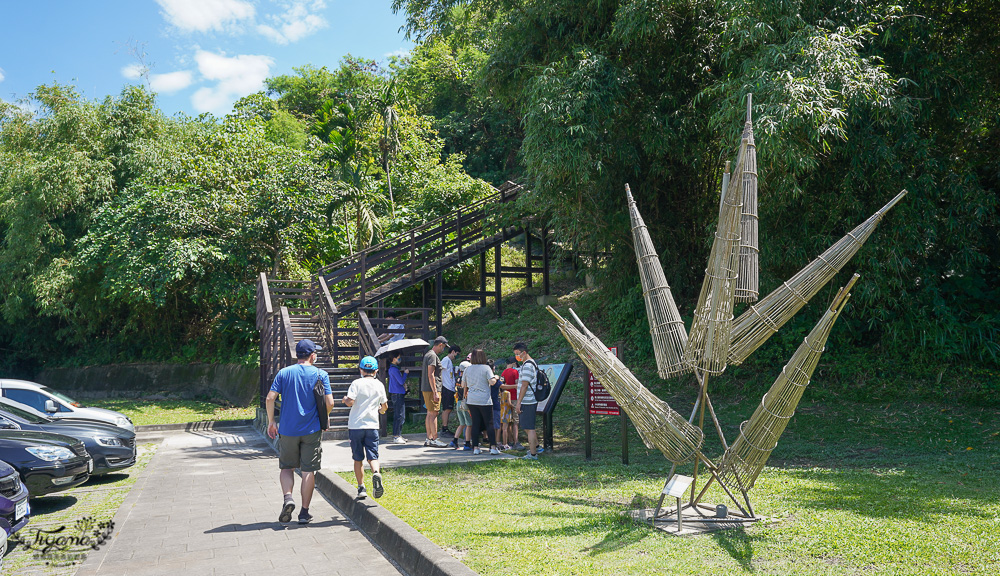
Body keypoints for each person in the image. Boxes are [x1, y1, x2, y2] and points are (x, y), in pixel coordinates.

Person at [266, 339, 333, 524]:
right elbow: (330, 403)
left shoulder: (284, 373)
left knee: (287, 467)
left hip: (287, 430)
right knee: (308, 471)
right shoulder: (321, 374)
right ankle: (304, 513)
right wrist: (325, 416)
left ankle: (288, 498)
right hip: (311, 430)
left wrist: (271, 421)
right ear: (312, 355)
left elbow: (270, 398)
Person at [344, 355, 389, 499]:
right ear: (375, 371)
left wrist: (345, 399)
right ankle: (376, 473)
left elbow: (350, 402)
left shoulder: (356, 383)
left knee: (358, 458)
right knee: (373, 456)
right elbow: (384, 406)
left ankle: (361, 487)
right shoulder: (379, 385)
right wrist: (381, 410)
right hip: (372, 425)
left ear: (361, 370)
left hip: (356, 426)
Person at [462, 349, 501, 455]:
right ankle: (493, 447)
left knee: (475, 423)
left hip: (472, 399)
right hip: (484, 400)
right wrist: (496, 377)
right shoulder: (486, 368)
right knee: (489, 423)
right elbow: (492, 382)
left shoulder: (467, 369)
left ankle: (475, 447)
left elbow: (463, 385)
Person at [421, 335, 450, 447]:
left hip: (427, 388)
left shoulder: (428, 354)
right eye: (443, 347)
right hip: (432, 389)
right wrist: (435, 392)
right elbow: (431, 375)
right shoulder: (432, 356)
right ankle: (434, 439)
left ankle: (429, 438)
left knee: (429, 413)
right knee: (434, 414)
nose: (443, 350)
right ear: (440, 345)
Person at [513, 342, 540, 460]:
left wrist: (518, 402)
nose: (516, 357)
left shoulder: (528, 365)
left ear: (524, 353)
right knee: (526, 426)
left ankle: (533, 454)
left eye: (518, 354)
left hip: (528, 401)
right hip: (526, 400)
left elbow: (524, 385)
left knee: (529, 428)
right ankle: (536, 447)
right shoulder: (526, 364)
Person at [500, 359, 523, 450]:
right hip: (514, 398)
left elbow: (502, 384)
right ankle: (516, 441)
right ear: (513, 363)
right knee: (515, 422)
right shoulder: (515, 371)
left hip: (505, 398)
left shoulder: (503, 373)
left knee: (508, 421)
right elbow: (517, 384)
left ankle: (509, 440)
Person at [387, 352, 409, 444]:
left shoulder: (393, 369)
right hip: (398, 394)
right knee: (399, 415)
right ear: (394, 359)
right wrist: (405, 374)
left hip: (396, 393)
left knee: (399, 415)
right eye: (399, 358)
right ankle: (396, 435)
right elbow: (400, 381)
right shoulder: (394, 369)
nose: (400, 359)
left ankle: (398, 435)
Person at [439, 345, 461, 438]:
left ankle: (445, 428)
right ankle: (444, 429)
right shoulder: (446, 360)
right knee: (446, 409)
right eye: (457, 354)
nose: (457, 356)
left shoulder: (450, 362)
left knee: (449, 409)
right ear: (453, 352)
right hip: (446, 387)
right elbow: (439, 369)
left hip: (450, 388)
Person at [451, 360, 473, 450]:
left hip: (458, 402)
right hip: (465, 403)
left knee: (462, 424)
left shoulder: (457, 379)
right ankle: (467, 444)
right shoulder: (466, 379)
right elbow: (466, 391)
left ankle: (454, 440)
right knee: (469, 424)